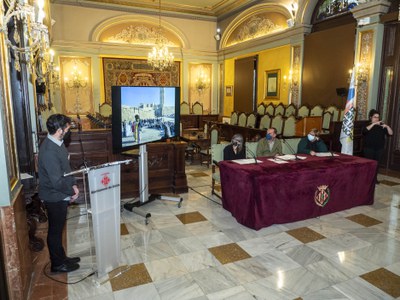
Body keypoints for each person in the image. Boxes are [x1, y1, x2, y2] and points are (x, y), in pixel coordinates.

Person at [38, 114, 80, 273]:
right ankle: (57, 264)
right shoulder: (49, 150)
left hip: (61, 193)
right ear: (59, 130)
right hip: (54, 196)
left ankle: (62, 257)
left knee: (59, 229)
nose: (69, 131)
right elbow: (56, 181)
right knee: (55, 231)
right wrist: (71, 192)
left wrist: (74, 184)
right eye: (67, 129)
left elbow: (65, 169)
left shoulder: (58, 142)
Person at [362, 109, 393, 183]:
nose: (376, 119)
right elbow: (364, 131)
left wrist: (387, 126)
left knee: (376, 165)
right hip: (368, 148)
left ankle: (374, 179)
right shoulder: (367, 124)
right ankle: (367, 179)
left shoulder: (381, 126)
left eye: (378, 117)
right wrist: (373, 124)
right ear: (370, 117)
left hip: (379, 148)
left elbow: (391, 133)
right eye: (375, 117)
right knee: (369, 164)